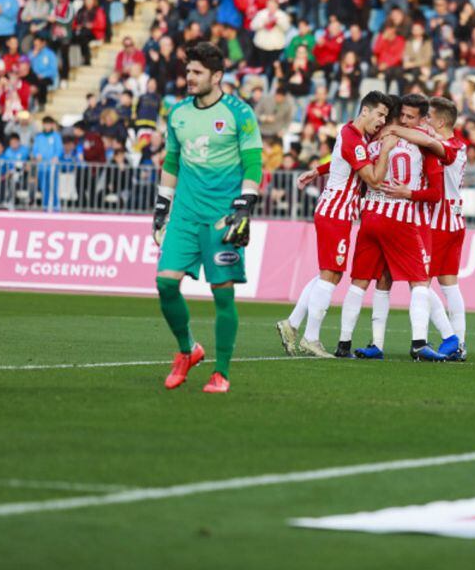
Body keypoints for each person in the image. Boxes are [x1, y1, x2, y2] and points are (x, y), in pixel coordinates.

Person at [152, 43, 264, 394]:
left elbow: (253, 164)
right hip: (185, 214)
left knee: (222, 294)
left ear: (217, 76)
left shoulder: (239, 113)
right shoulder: (178, 113)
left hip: (222, 217)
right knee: (166, 284)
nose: (189, 78)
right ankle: (187, 350)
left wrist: (244, 205)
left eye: (197, 72)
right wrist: (161, 207)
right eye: (188, 72)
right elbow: (171, 162)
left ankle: (222, 372)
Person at [275, 91, 395, 358]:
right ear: (365, 111)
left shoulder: (353, 135)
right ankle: (311, 338)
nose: (382, 121)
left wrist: (317, 170)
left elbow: (341, 159)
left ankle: (292, 324)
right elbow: (374, 179)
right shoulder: (355, 139)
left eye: (386, 117)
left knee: (327, 275)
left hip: (334, 210)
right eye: (380, 114)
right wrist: (386, 151)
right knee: (331, 275)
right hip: (336, 213)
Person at [374, 96, 469, 361]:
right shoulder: (460, 144)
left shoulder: (444, 146)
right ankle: (459, 343)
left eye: (428, 118)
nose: (423, 122)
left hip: (438, 222)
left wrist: (392, 128)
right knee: (449, 285)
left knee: (421, 284)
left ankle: (444, 339)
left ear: (439, 122)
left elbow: (427, 141)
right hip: (455, 220)